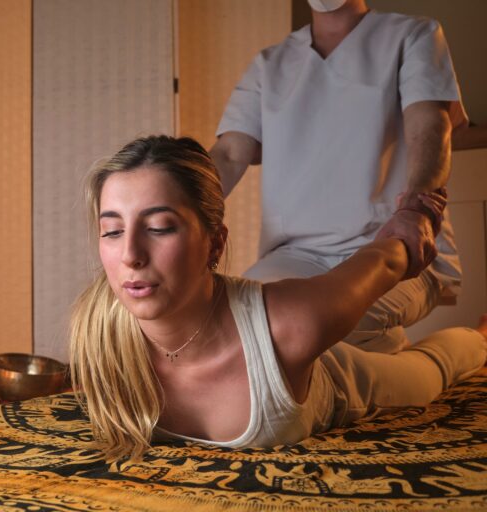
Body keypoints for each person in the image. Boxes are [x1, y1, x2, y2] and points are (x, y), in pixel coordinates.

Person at [69, 135, 486, 461]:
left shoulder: (292, 324)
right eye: (112, 230)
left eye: (159, 227)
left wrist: (417, 216)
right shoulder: (97, 328)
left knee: (428, 372)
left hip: (330, 373)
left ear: (215, 245)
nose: (130, 256)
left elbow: (385, 263)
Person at [209, 0, 468, 354]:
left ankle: (465, 348)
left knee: (315, 322)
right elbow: (228, 153)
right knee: (232, 327)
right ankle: (396, 351)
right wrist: (172, 209)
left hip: (392, 244)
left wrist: (415, 210)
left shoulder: (412, 35)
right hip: (294, 254)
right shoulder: (269, 65)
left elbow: (431, 127)